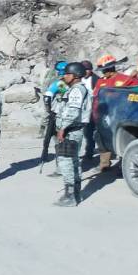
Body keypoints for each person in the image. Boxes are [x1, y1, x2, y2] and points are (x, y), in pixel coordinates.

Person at [53, 62, 93, 207]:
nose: (65, 76)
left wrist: (63, 128)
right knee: (74, 162)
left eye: (67, 74)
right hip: (75, 129)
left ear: (75, 76)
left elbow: (73, 111)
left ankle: (70, 196)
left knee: (66, 162)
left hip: (70, 130)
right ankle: (76, 194)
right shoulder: (77, 88)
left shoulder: (76, 90)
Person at [93, 54, 138, 172]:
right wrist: (95, 114)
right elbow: (96, 98)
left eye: (105, 70)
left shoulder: (126, 80)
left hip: (122, 116)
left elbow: (136, 97)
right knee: (102, 139)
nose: (103, 73)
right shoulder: (100, 82)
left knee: (123, 141)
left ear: (111, 68)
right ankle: (104, 164)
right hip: (104, 116)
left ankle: (122, 166)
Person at [41, 61, 68, 176]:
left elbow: (47, 97)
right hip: (68, 115)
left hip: (57, 115)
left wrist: (48, 110)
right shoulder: (72, 84)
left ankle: (61, 169)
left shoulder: (60, 84)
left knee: (58, 142)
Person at [80, 60, 98, 161]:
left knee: (89, 132)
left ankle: (89, 153)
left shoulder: (96, 79)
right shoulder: (78, 79)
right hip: (81, 109)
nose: (86, 72)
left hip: (92, 110)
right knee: (84, 133)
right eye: (84, 69)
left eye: (88, 69)